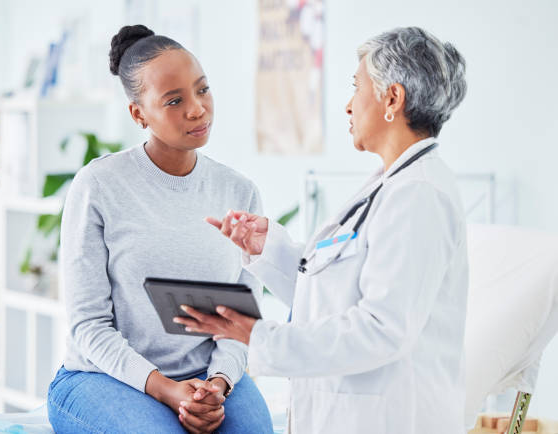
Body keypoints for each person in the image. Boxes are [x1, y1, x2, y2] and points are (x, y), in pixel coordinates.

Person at [175, 27, 469, 433]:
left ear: (392, 99)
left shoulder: (418, 195)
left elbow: (382, 329)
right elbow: (335, 296)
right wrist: (269, 250)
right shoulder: (390, 186)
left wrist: (260, 337)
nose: (348, 105)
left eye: (357, 87)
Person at [47, 24, 273, 434]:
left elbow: (240, 318)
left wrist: (218, 384)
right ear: (138, 114)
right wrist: (167, 389)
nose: (197, 109)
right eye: (174, 100)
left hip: (208, 375)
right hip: (102, 377)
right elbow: (88, 326)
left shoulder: (239, 191)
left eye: (202, 90)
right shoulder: (99, 186)